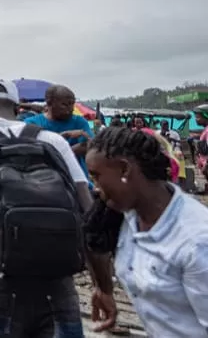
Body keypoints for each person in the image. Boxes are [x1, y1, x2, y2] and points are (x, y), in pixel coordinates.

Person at [0, 78, 112, 338]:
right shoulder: (53, 141)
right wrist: (102, 287)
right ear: (18, 109)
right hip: (55, 280)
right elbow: (90, 215)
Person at [79, 126, 208, 336]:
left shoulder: (197, 241)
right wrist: (103, 289)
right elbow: (94, 237)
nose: (95, 187)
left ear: (124, 169)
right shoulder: (127, 214)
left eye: (96, 177)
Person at [22, 84, 93, 179]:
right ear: (49, 103)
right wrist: (64, 140)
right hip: (44, 181)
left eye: (72, 104)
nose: (71, 109)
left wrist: (58, 152)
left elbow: (90, 145)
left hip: (76, 181)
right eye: (64, 105)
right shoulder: (32, 123)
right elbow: (34, 153)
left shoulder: (79, 121)